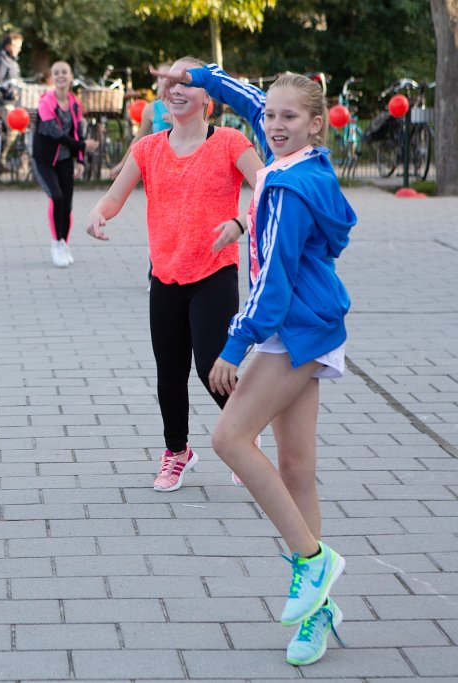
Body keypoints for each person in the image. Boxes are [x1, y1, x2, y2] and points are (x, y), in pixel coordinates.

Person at [158, 63, 357, 667]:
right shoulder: (298, 160)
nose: (273, 125)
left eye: (288, 118)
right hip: (306, 324)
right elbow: (243, 95)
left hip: (290, 328)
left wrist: (231, 346)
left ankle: (312, 560)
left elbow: (272, 283)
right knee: (296, 469)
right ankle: (318, 613)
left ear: (317, 126)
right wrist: (197, 73)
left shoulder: (292, 188)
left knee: (227, 437)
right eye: (269, 115)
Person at [85, 56, 264, 493]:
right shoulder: (146, 148)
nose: (175, 90)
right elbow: (114, 196)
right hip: (165, 275)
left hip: (214, 271)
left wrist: (241, 223)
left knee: (211, 366)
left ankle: (242, 435)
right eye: (169, 84)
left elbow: (269, 187)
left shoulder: (229, 142)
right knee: (169, 372)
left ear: (208, 97)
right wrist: (97, 213)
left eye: (186, 83)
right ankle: (177, 452)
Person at [32, 61, 98, 268]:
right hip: (44, 159)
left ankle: (64, 244)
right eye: (57, 73)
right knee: (57, 197)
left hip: (64, 159)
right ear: (52, 77)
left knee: (67, 204)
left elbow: (76, 131)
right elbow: (55, 133)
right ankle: (55, 243)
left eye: (64, 72)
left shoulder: (75, 103)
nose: (61, 76)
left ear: (70, 77)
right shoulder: (46, 102)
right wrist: (83, 146)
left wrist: (79, 158)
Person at [109, 62, 173, 179]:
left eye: (168, 76)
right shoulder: (151, 109)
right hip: (160, 166)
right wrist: (122, 164)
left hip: (185, 164)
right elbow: (138, 139)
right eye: (160, 76)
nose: (164, 80)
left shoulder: (186, 105)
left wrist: (178, 122)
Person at [0, 32, 24, 167]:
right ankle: (1, 157)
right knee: (14, 126)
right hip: (5, 103)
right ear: (9, 45)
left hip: (14, 102)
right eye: (17, 46)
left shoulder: (12, 61)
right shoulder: (1, 59)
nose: (19, 50)